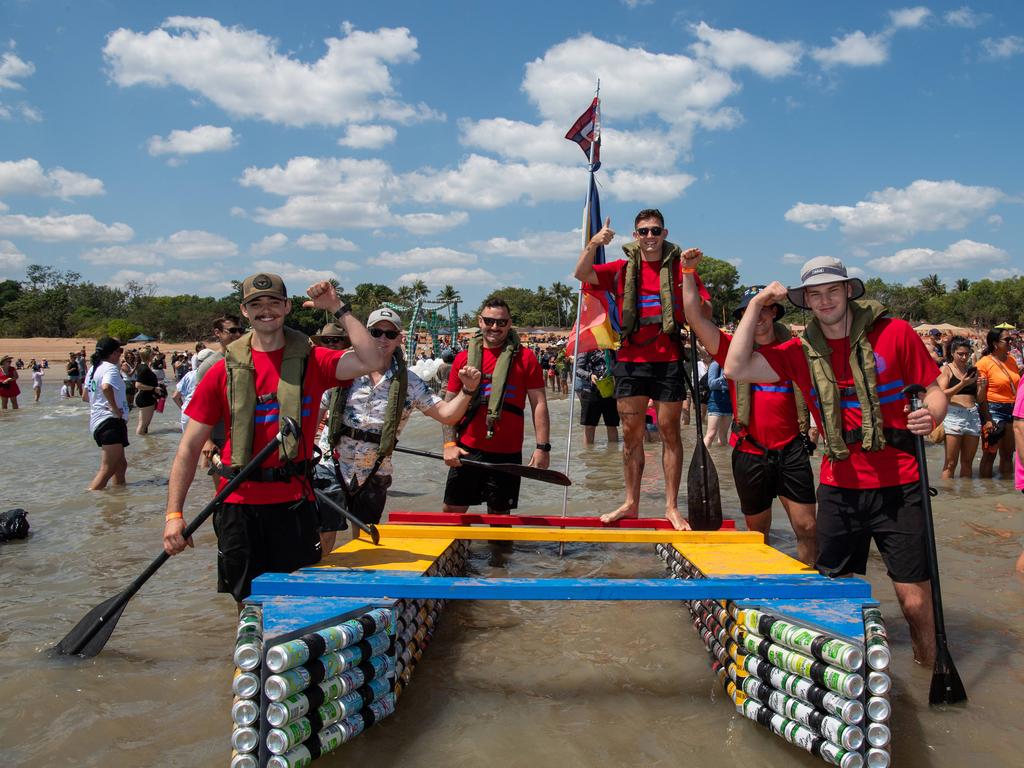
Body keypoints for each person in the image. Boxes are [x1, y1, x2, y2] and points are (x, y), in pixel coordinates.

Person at [723, 257, 947, 666]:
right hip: (840, 488)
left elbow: (935, 389)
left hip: (900, 484)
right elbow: (735, 366)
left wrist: (931, 414)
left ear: (848, 291)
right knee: (831, 593)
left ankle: (929, 668)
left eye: (832, 290)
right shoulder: (798, 350)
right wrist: (756, 303)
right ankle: (845, 676)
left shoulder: (894, 333)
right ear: (805, 301)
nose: (824, 300)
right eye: (814, 294)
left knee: (913, 599)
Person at [162, 274, 384, 603]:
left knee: (296, 601)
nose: (266, 310)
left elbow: (373, 360)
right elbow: (189, 447)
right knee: (248, 603)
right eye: (256, 304)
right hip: (237, 506)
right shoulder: (221, 372)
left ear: (287, 307)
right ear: (245, 310)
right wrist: (174, 515)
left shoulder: (314, 361)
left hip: (293, 504)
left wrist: (337, 307)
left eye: (274, 303)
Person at [574, 209, 709, 529]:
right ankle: (631, 503)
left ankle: (671, 507)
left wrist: (690, 273)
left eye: (655, 231)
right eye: (644, 231)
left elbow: (704, 310)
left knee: (669, 433)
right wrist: (593, 244)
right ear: (635, 236)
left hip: (669, 362)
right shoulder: (620, 269)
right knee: (631, 436)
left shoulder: (680, 268)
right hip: (630, 364)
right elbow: (581, 273)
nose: (650, 237)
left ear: (664, 233)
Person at [315, 309, 481, 553]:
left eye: (390, 333)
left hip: (375, 468)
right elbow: (316, 409)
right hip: (331, 462)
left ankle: (359, 588)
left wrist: (468, 391)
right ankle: (317, 584)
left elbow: (447, 415)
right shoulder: (343, 368)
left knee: (364, 534)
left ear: (399, 339)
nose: (382, 339)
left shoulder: (410, 382)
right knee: (324, 528)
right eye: (376, 332)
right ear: (365, 334)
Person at [681, 277, 817, 563]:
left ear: (775, 313)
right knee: (758, 530)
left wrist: (817, 425)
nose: (759, 317)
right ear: (744, 317)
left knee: (807, 527)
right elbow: (694, 316)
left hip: (792, 448)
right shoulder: (730, 349)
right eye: (750, 312)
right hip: (750, 450)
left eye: (766, 309)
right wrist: (687, 272)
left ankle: (808, 583)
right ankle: (764, 581)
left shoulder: (795, 350)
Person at [442, 297, 549, 520]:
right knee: (452, 515)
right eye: (489, 321)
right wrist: (449, 444)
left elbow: (538, 404)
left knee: (501, 518)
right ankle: (461, 554)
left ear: (509, 324)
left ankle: (500, 556)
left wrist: (542, 448)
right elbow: (448, 408)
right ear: (480, 321)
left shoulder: (527, 359)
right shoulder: (462, 359)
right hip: (467, 449)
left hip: (507, 453)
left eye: (501, 322)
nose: (494, 327)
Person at [83, 337, 129, 490]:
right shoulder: (110, 368)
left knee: (121, 464)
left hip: (98, 422)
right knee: (107, 469)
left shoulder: (93, 369)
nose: (120, 355)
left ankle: (119, 494)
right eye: (119, 351)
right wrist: (115, 408)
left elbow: (85, 396)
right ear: (113, 353)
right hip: (110, 422)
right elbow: (106, 387)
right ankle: (91, 496)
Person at [977, 327, 1020, 479]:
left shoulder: (1012, 360)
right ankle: (986, 494)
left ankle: (1004, 491)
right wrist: (987, 418)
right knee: (990, 454)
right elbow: (980, 396)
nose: (1011, 342)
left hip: (1012, 410)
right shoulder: (984, 363)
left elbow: (1015, 382)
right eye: (1007, 340)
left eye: (1011, 339)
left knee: (1008, 455)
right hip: (993, 409)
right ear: (995, 343)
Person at [937, 337, 981, 478]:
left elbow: (979, 399)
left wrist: (982, 386)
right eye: (960, 354)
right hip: (954, 414)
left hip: (973, 414)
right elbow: (942, 393)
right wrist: (962, 383)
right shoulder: (946, 369)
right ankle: (949, 497)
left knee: (968, 462)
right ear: (952, 353)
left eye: (967, 354)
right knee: (950, 463)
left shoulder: (971, 371)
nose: (964, 357)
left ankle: (965, 496)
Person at [573, 349, 620, 446]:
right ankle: (589, 457)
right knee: (589, 426)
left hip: (610, 391)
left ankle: (613, 456)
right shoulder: (586, 349)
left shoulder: (612, 348)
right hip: (590, 391)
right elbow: (577, 368)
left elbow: (619, 366)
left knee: (612, 424)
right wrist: (589, 376)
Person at [173, 348, 214, 432]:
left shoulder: (189, 374)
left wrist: (183, 408)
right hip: (203, 413)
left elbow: (175, 396)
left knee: (187, 443)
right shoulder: (212, 375)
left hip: (187, 412)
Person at [704, 358, 732, 447]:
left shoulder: (732, 363)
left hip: (728, 400)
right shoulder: (715, 364)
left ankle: (721, 460)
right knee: (711, 434)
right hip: (716, 399)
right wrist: (724, 377)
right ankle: (702, 458)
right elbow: (711, 384)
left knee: (723, 437)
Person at [133, 347, 161, 435]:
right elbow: (138, 385)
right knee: (143, 425)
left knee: (144, 424)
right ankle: (141, 442)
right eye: (152, 354)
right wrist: (154, 388)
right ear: (148, 356)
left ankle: (145, 443)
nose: (154, 356)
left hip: (145, 397)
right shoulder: (144, 368)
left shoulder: (143, 367)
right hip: (145, 398)